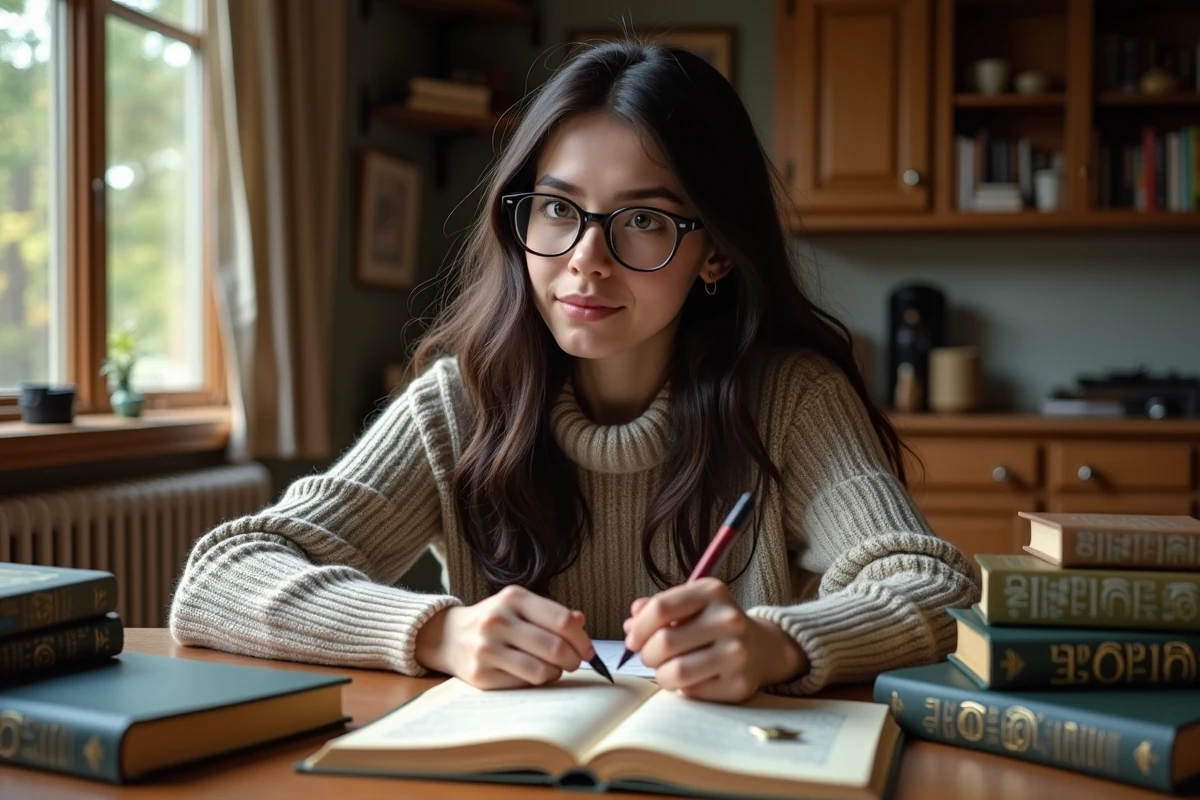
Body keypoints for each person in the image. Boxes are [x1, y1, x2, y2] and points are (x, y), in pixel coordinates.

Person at [169, 38, 979, 703]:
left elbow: (935, 587)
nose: (586, 262)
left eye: (643, 220)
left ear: (716, 254)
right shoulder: (458, 404)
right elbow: (220, 577)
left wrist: (776, 644)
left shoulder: (790, 399)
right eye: (559, 209)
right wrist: (438, 630)